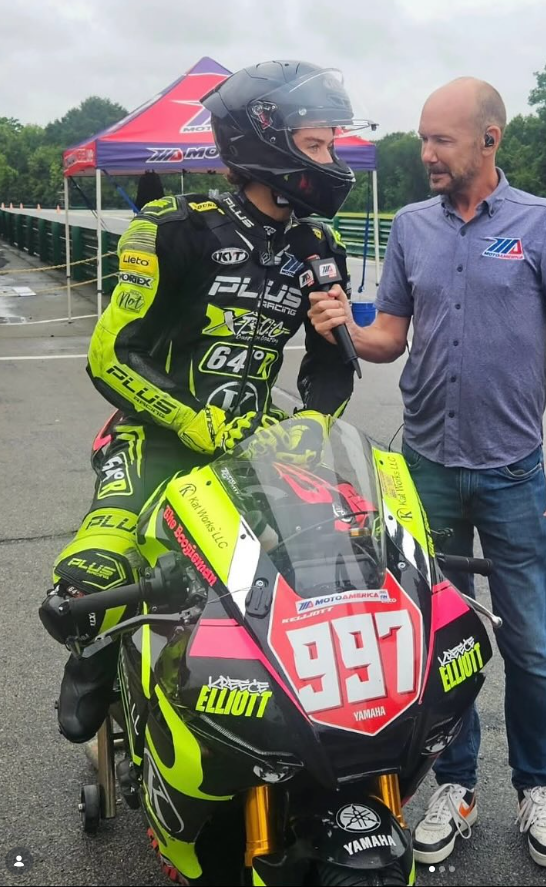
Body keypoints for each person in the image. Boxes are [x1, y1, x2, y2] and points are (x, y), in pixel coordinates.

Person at [40, 59, 373, 748]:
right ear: (264, 141)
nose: (331, 160)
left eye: (333, 144)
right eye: (317, 144)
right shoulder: (171, 225)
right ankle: (96, 655)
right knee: (89, 578)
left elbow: (332, 366)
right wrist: (188, 418)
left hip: (257, 446)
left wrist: (312, 419)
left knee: (347, 563)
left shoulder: (319, 244)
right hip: (155, 437)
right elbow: (109, 353)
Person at [307, 76, 546, 869]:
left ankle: (538, 785)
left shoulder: (542, 223)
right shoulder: (409, 226)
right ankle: (455, 783)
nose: (425, 152)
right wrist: (343, 326)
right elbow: (390, 336)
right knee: (437, 640)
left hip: (511, 474)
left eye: (441, 140)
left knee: (529, 645)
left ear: (488, 140)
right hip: (422, 471)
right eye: (423, 138)